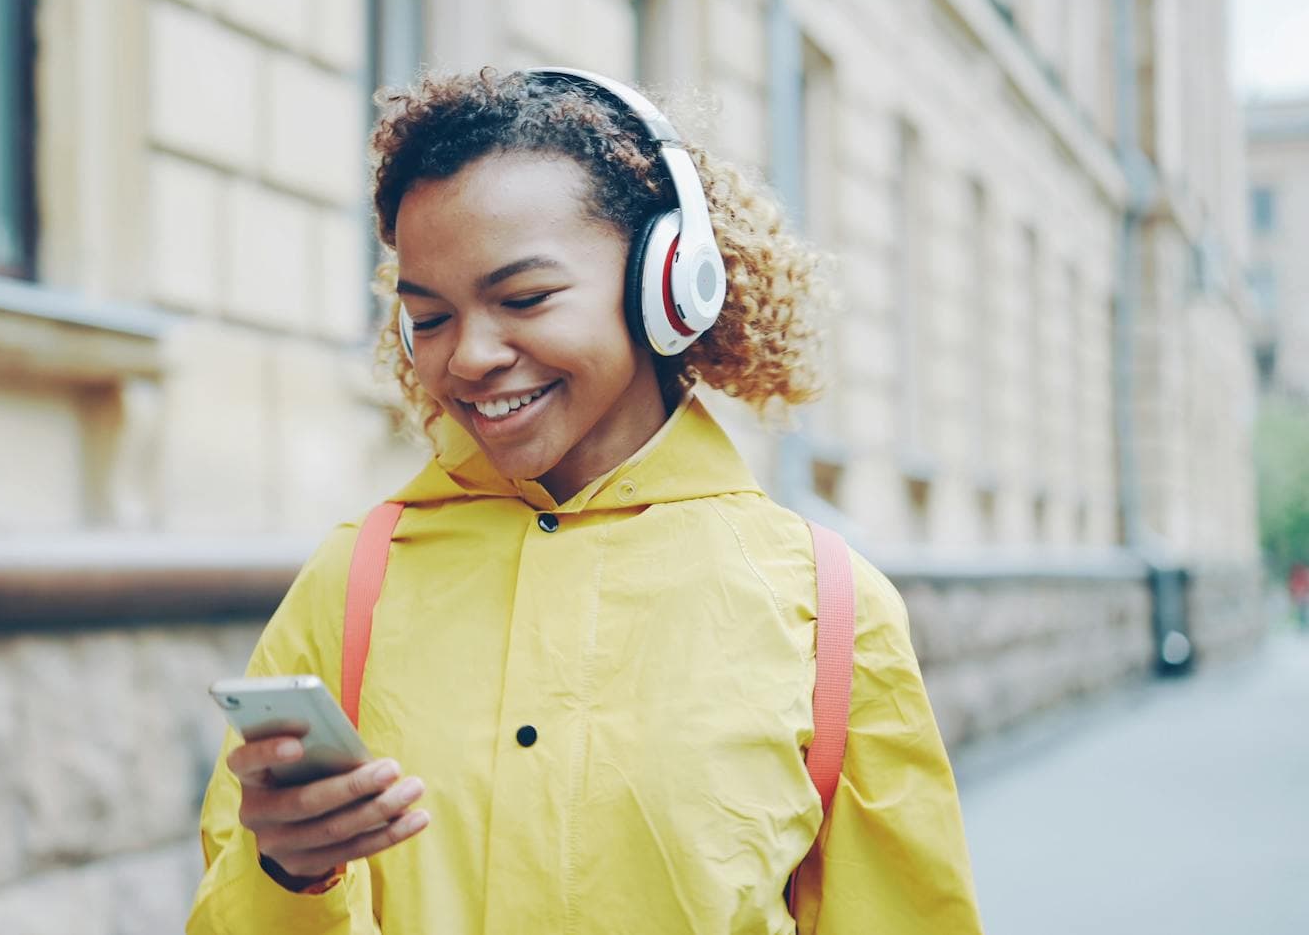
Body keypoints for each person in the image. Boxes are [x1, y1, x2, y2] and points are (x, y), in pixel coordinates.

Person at [186, 68, 983, 933]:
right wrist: (288, 879)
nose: (469, 358)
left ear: (667, 283)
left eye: (523, 298)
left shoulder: (830, 611)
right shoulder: (351, 585)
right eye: (429, 316)